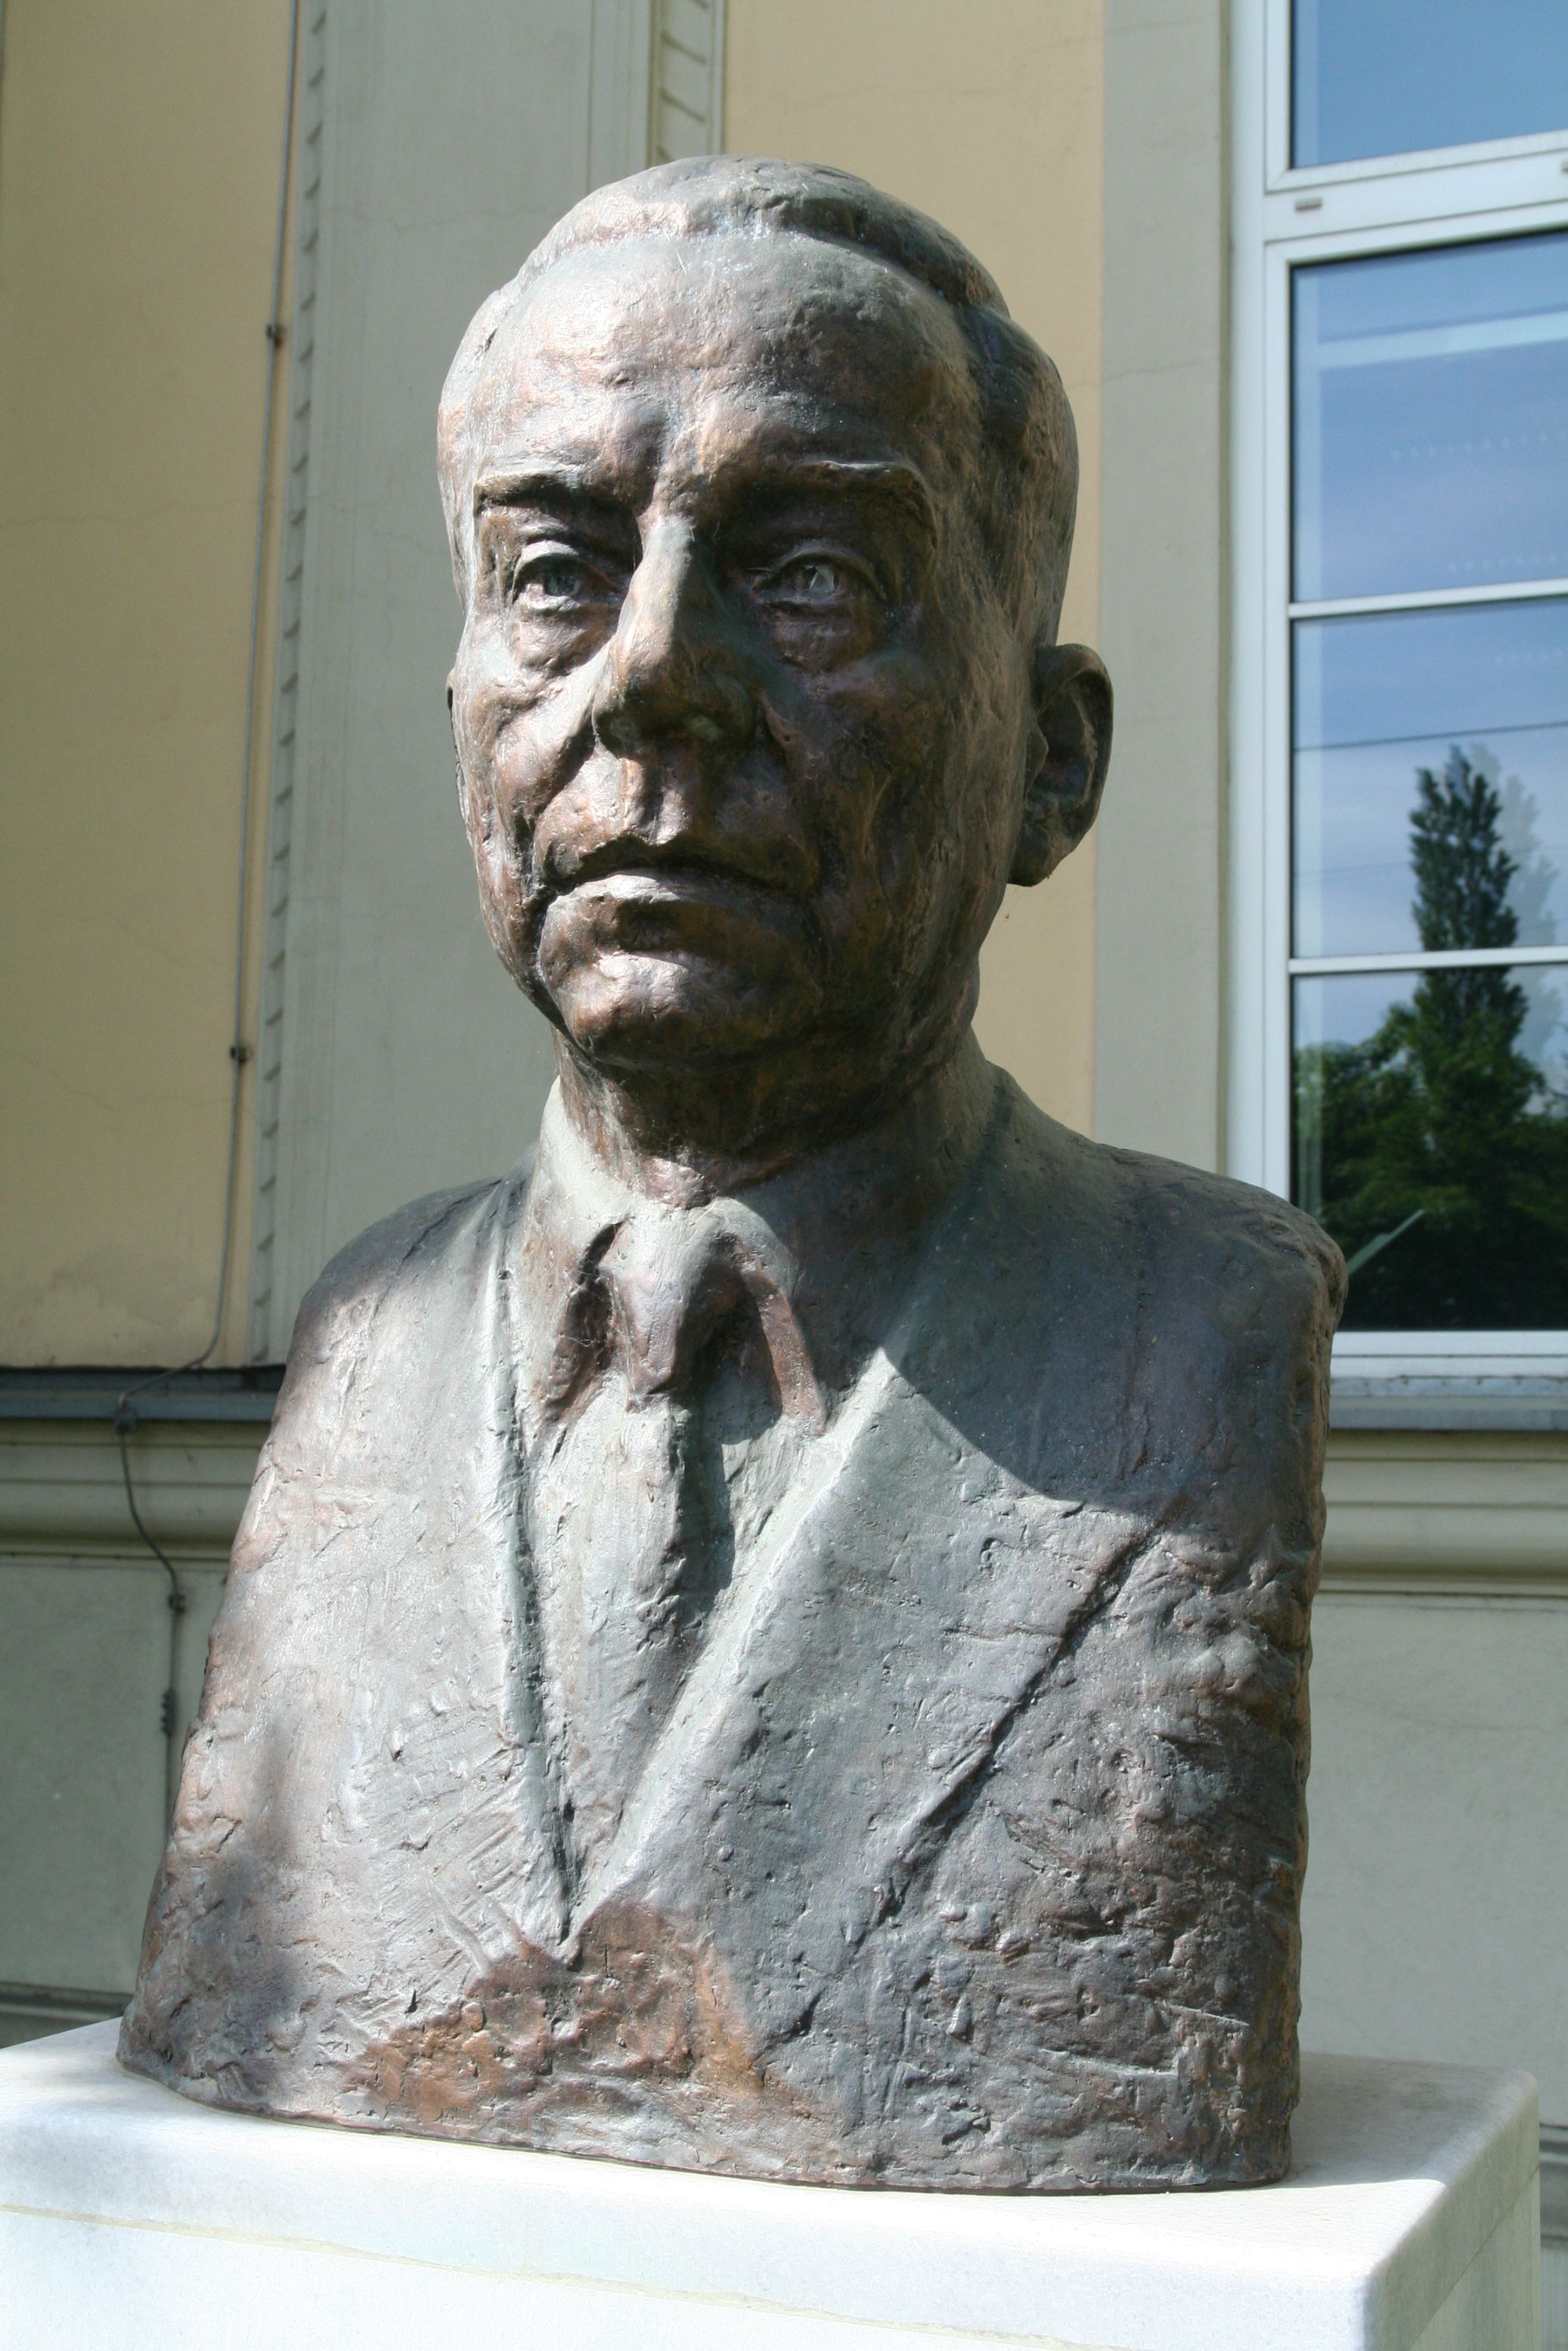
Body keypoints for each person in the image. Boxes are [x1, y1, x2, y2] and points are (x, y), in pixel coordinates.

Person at [121, 157, 1342, 2192]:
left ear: (1049, 761)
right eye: (553, 572)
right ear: (460, 718)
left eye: (810, 573)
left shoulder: (1194, 1335)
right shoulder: (361, 1349)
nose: (654, 676)